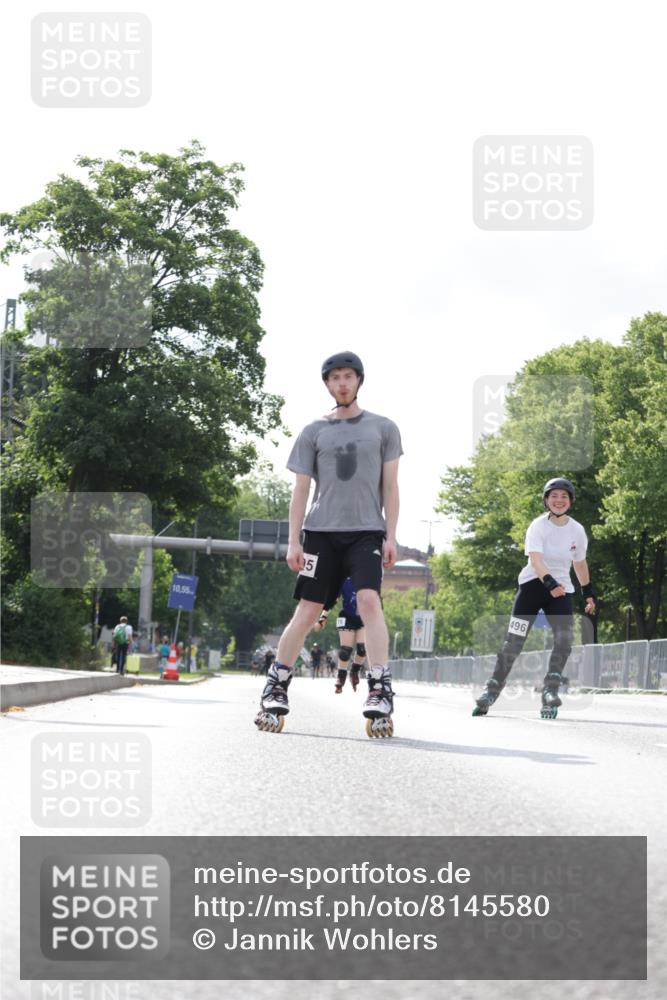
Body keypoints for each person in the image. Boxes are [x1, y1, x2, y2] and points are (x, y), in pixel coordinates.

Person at [255, 350, 402, 736]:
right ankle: (276, 683)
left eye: (348, 377)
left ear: (359, 381)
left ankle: (380, 687)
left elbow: (391, 486)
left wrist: (392, 534)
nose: (342, 383)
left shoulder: (384, 428)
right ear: (327, 384)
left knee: (369, 601)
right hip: (320, 533)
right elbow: (300, 490)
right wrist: (293, 541)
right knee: (308, 609)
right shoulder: (313, 431)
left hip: (367, 531)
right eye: (334, 377)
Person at [473, 478, 596, 719]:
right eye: (554, 496)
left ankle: (550, 690)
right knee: (513, 643)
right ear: (546, 500)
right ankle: (491, 690)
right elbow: (536, 560)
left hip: (560, 592)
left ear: (570, 501)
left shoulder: (577, 531)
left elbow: (579, 563)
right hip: (532, 587)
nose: (559, 501)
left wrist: (588, 592)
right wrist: (549, 583)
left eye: (564, 496)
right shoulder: (537, 526)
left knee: (565, 639)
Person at [316, 577, 367, 693]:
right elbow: (333, 599)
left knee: (362, 650)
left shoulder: (367, 574)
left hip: (364, 617)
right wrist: (323, 617)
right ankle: (341, 676)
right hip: (347, 616)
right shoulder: (343, 578)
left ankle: (354, 670)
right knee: (345, 651)